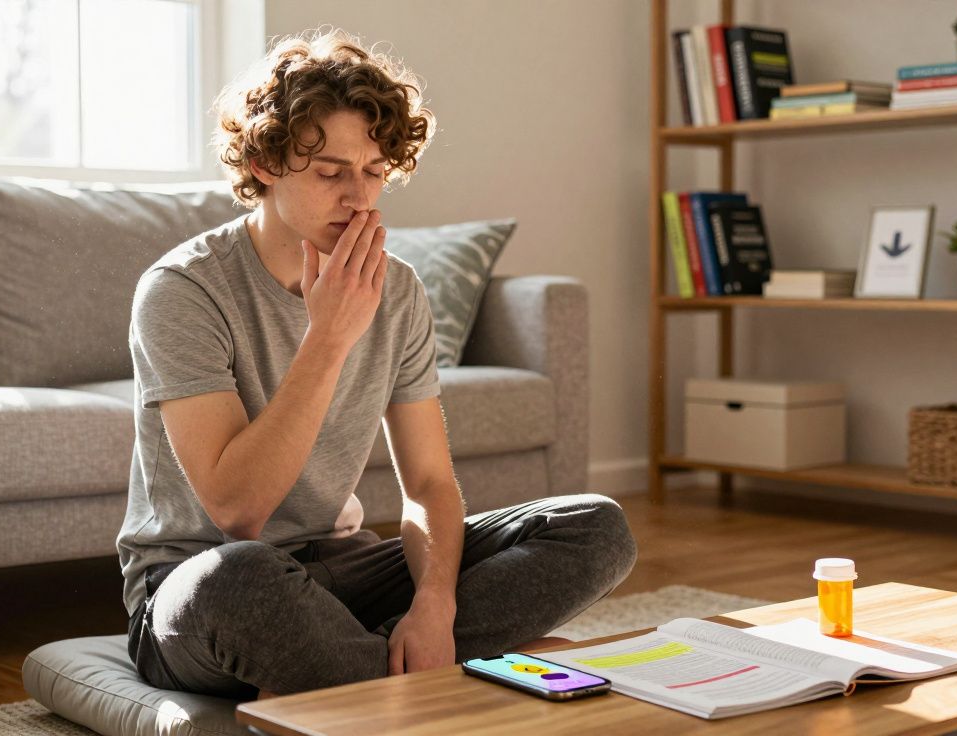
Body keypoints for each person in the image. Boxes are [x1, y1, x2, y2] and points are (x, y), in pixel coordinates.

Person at [118, 27, 636, 699]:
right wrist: (329, 337)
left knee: (595, 528)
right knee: (238, 580)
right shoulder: (182, 290)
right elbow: (237, 511)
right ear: (266, 164)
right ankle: (430, 684)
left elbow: (427, 485)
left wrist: (435, 606)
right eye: (332, 173)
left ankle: (371, 667)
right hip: (202, 583)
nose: (359, 198)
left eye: (373, 173)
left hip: (344, 569)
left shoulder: (397, 289)